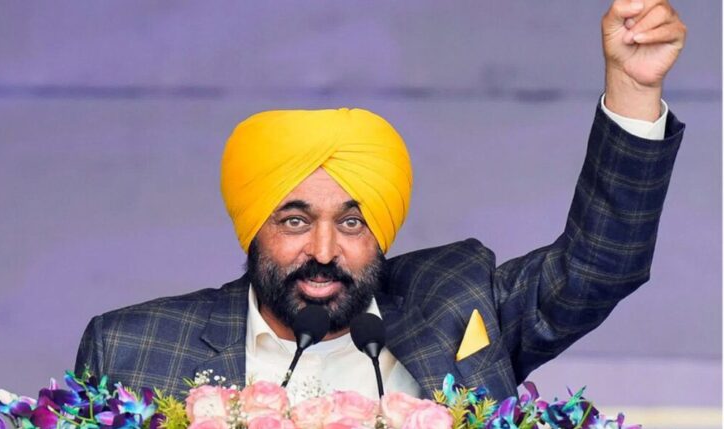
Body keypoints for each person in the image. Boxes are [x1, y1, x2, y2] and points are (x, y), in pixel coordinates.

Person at [75, 0, 686, 402]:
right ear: (252, 226)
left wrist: (633, 89)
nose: (323, 251)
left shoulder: (456, 309)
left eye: (351, 222)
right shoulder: (131, 347)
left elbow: (599, 267)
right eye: (295, 220)